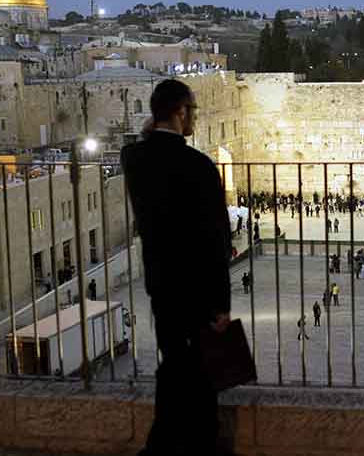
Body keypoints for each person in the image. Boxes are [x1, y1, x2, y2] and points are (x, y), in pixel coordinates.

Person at [121, 79, 232, 455]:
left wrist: (155, 126)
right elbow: (217, 240)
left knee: (174, 362)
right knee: (200, 373)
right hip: (198, 287)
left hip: (161, 283)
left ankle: (163, 444)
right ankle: (197, 444)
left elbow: (140, 143)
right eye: (192, 111)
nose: (194, 118)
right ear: (180, 112)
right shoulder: (199, 166)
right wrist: (220, 304)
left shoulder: (133, 159)